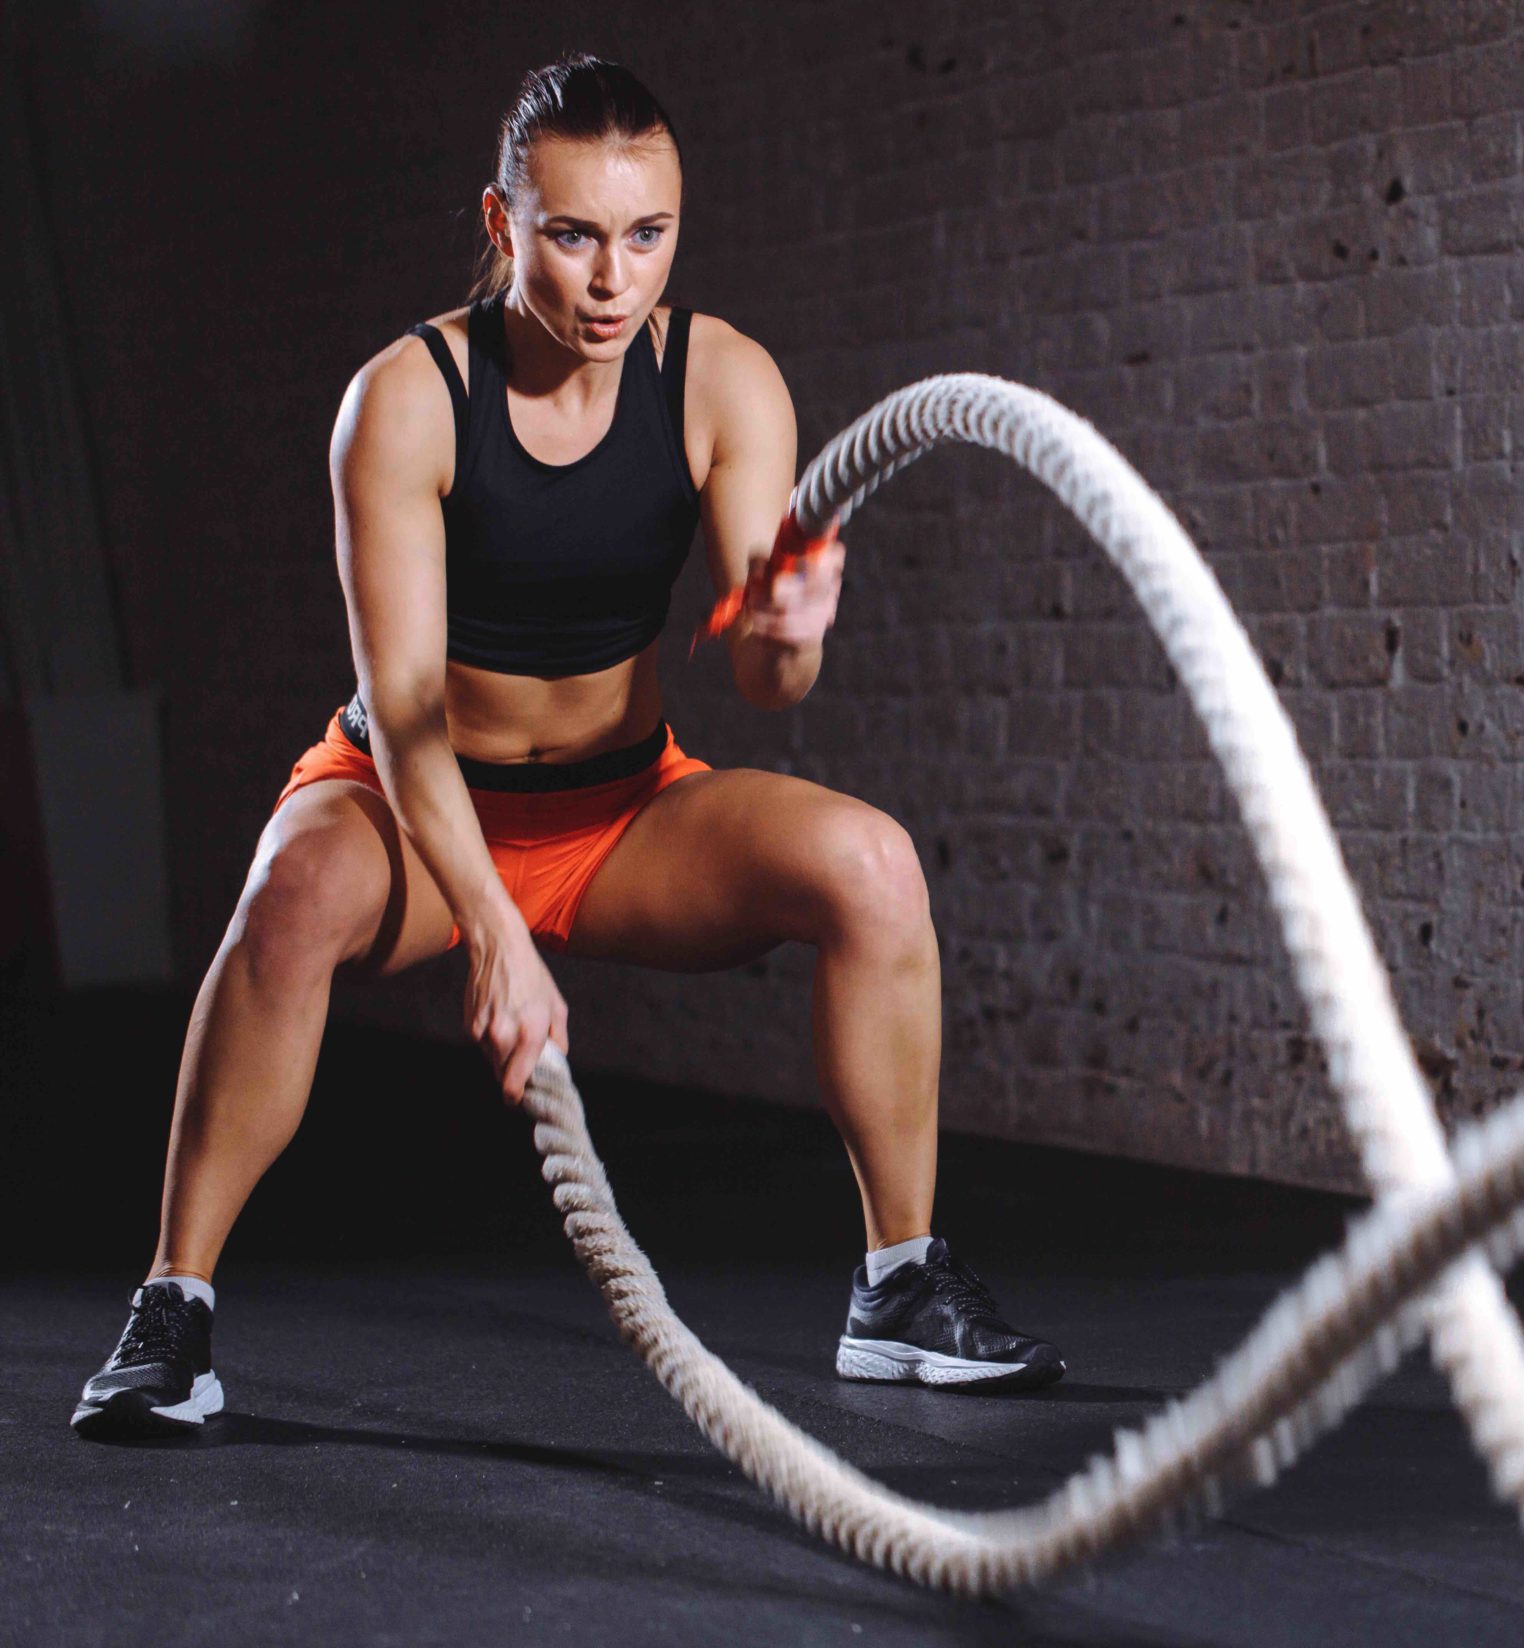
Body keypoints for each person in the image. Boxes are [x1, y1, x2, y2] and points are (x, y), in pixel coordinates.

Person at [71, 55, 1061, 1442]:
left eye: (646, 235)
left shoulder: (724, 381)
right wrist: (488, 926)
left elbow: (772, 685)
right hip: (413, 806)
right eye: (575, 235)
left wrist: (791, 622)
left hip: (618, 808)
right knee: (287, 898)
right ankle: (173, 1311)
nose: (613, 279)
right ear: (503, 224)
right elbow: (404, 710)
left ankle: (898, 1287)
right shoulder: (405, 399)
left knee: (874, 868)